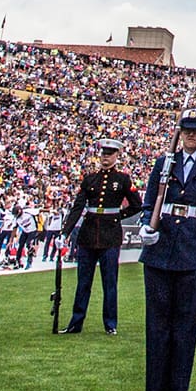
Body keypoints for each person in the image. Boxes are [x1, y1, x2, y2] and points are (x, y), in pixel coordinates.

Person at [135, 109, 196, 391]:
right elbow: (150, 202)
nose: (190, 135)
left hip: (195, 252)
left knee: (185, 328)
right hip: (161, 252)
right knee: (157, 326)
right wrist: (146, 225)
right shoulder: (164, 163)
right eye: (186, 130)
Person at [59, 138, 142, 335]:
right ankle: (76, 323)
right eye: (104, 154)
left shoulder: (123, 179)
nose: (106, 157)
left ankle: (110, 324)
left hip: (110, 236)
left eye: (110, 154)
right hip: (88, 235)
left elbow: (136, 205)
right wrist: (65, 232)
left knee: (110, 283)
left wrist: (118, 216)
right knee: (83, 283)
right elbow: (78, 207)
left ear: (116, 156)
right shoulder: (90, 179)